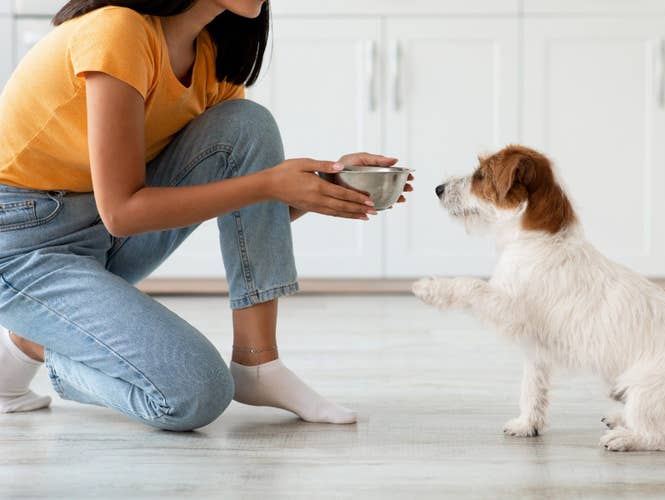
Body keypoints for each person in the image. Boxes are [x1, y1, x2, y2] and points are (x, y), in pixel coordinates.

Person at [0, 0, 411, 430]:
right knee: (195, 394)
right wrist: (270, 183)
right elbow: (122, 211)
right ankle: (38, 341)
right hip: (23, 243)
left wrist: (317, 191)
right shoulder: (119, 30)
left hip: (98, 228)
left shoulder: (210, 55)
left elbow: (241, 211)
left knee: (247, 124)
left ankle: (258, 364)